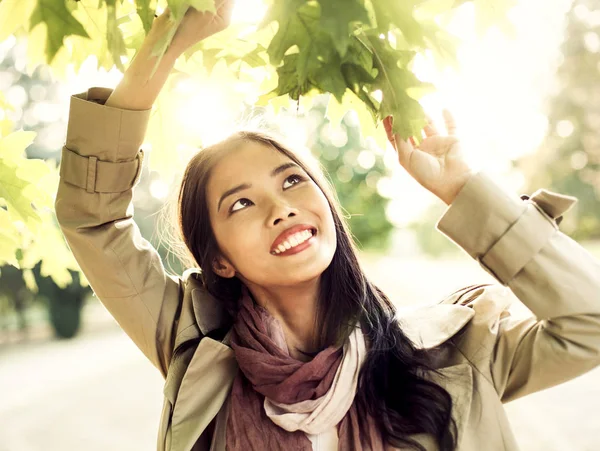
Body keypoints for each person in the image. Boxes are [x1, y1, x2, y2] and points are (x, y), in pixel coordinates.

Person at [54, 3, 600, 451]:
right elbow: (94, 217)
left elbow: (589, 321)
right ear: (218, 257)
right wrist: (171, 35)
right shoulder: (193, 348)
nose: (280, 208)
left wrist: (463, 188)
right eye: (239, 204)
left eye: (292, 181)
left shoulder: (455, 354)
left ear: (327, 206)